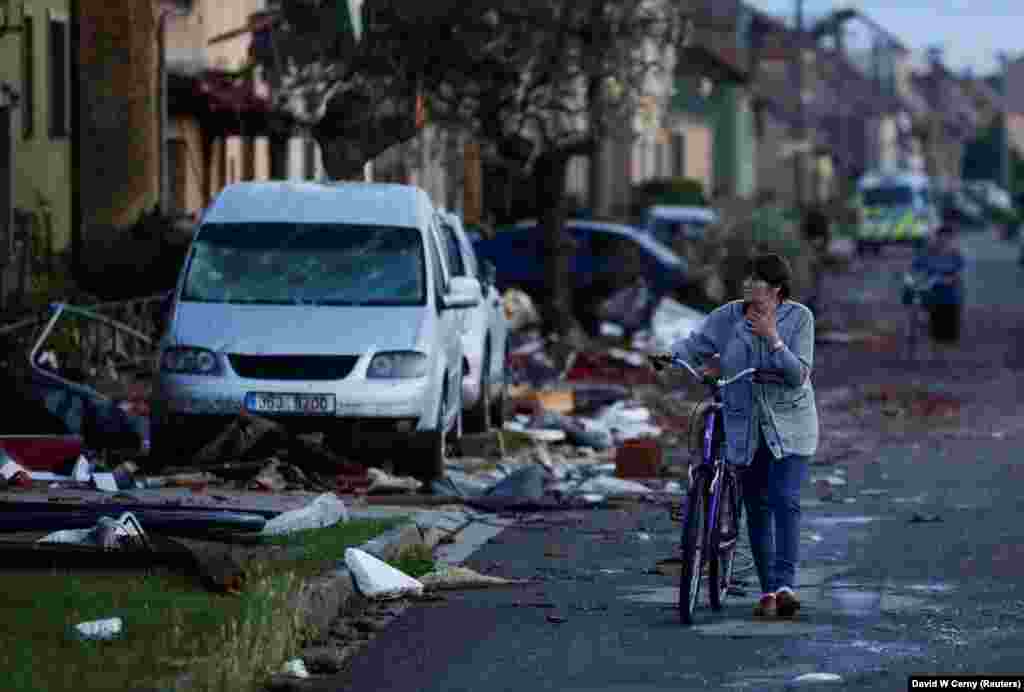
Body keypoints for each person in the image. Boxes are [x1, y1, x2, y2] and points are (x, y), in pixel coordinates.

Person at [657, 253, 818, 618]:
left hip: (790, 424)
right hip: (744, 423)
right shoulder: (729, 315)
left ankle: (785, 585)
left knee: (784, 499)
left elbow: (798, 375)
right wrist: (670, 355)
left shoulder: (800, 319)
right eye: (746, 278)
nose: (747, 285)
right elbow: (698, 344)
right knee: (756, 507)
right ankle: (767, 592)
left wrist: (773, 339)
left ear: (776, 289)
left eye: (756, 280)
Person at [911, 225, 964, 362]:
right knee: (927, 322)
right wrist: (921, 282)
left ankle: (940, 356)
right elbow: (916, 270)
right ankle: (928, 353)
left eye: (948, 238)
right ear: (937, 237)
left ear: (951, 239)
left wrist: (946, 279)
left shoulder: (955, 254)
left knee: (945, 327)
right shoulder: (926, 253)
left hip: (949, 293)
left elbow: (958, 275)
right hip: (929, 292)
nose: (944, 240)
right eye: (941, 237)